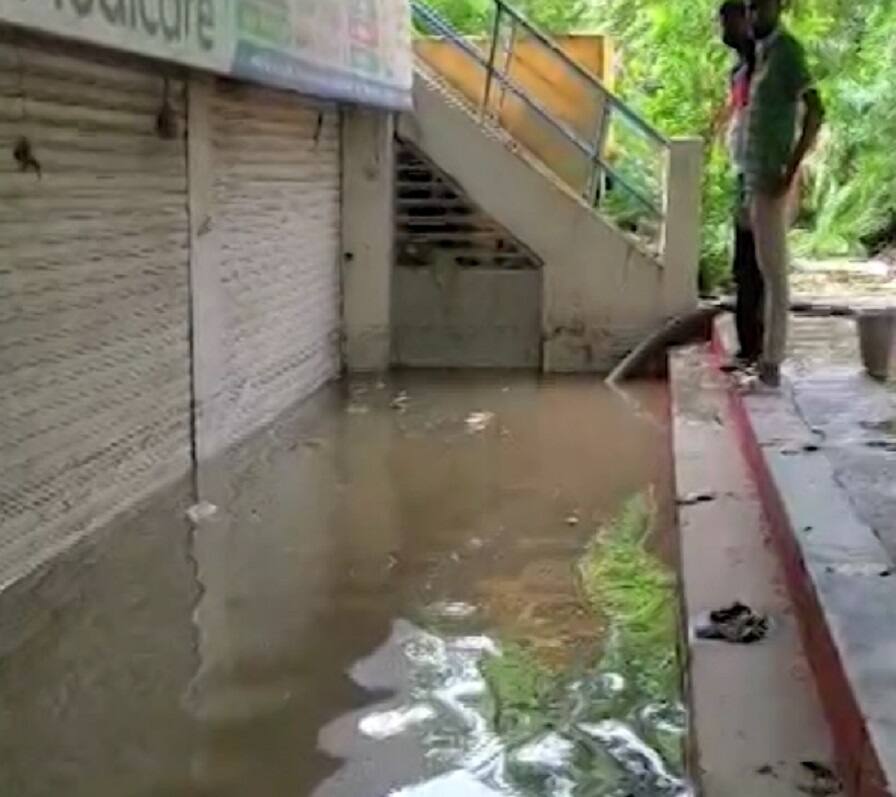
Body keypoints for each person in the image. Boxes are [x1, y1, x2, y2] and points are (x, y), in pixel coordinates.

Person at [744, 0, 824, 387]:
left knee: (775, 273)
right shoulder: (764, 53)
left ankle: (772, 363)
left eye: (758, 8)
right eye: (749, 9)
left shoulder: (788, 51)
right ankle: (765, 359)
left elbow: (815, 110)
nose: (752, 16)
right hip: (757, 176)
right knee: (764, 268)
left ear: (776, 7)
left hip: (773, 178)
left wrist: (790, 171)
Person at [717, 0, 763, 370]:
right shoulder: (739, 70)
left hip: (762, 174)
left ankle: (757, 350)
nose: (723, 32)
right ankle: (747, 346)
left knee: (758, 266)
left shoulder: (766, 64)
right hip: (743, 174)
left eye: (728, 22)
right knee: (742, 266)